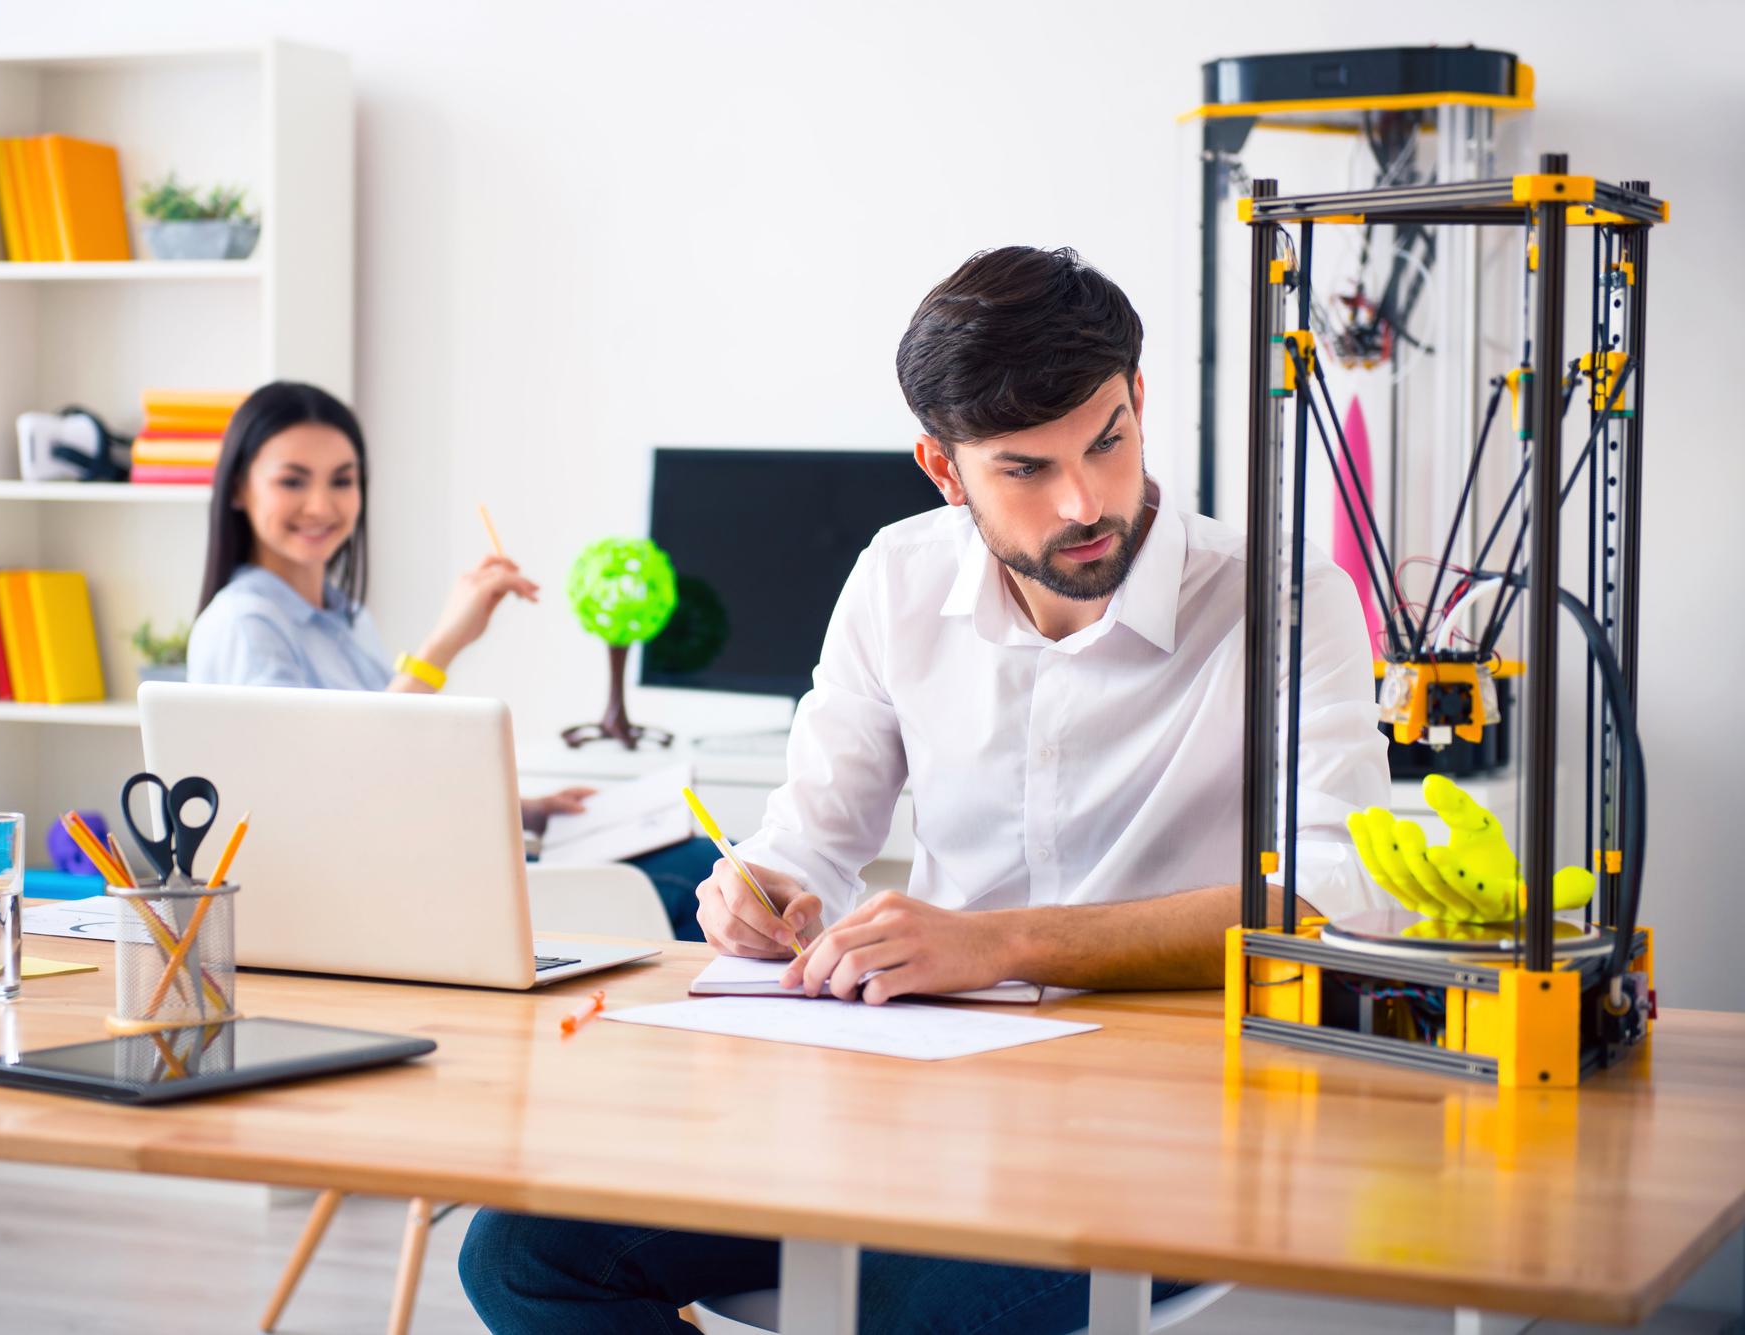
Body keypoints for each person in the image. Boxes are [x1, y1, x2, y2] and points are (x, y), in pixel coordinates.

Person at [458, 247, 1391, 1332]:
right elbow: (807, 839)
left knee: (925, 1304)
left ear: (1138, 401)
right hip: (919, 1100)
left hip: (1168, 1127)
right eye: (1022, 470)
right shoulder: (896, 578)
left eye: (1106, 443)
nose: (1085, 501)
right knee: (524, 1252)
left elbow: (1338, 893)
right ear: (942, 471)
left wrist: (1001, 945)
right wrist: (756, 891)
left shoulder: (1282, 597)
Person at [186, 381, 713, 938]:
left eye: (342, 481)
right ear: (239, 488)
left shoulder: (346, 618)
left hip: (423, 864)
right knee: (705, 879)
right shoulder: (247, 625)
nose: (322, 505)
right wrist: (443, 645)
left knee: (704, 858)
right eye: (293, 481)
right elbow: (328, 792)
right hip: (376, 897)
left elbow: (393, 778)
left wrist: (524, 811)